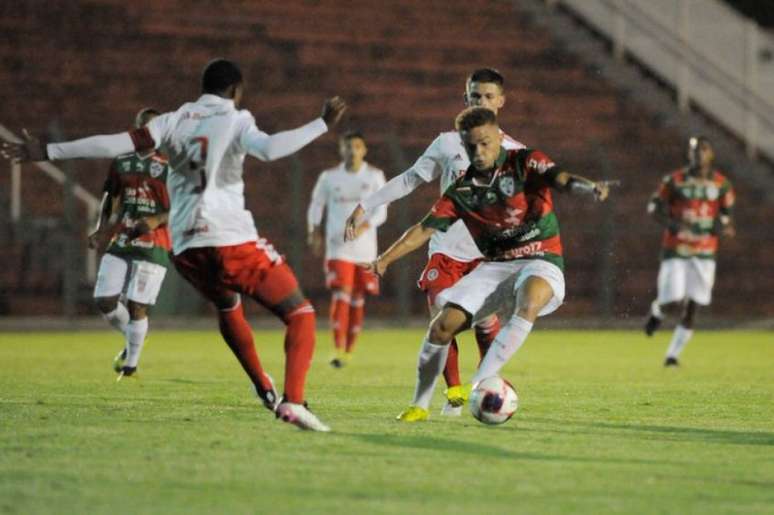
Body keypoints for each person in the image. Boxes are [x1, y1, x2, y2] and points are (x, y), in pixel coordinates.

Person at [1, 58, 347, 432]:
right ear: (235, 90)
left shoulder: (172, 120)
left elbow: (114, 144)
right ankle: (293, 402)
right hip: (230, 238)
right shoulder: (237, 118)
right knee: (300, 313)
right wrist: (322, 123)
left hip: (186, 248)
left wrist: (48, 151)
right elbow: (271, 149)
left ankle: (263, 386)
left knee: (227, 304)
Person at [364, 107, 610, 421]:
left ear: (498, 138)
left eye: (485, 143)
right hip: (496, 267)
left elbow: (560, 178)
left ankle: (480, 383)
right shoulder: (463, 191)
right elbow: (424, 230)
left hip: (540, 259)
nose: (478, 152)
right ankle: (419, 404)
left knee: (530, 297)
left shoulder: (525, 161)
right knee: (441, 327)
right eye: (471, 146)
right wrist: (385, 260)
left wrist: (587, 187)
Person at [345, 68, 525, 417]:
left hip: (488, 257)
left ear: (501, 101)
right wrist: (367, 205)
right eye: (475, 97)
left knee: (485, 322)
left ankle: (485, 382)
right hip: (445, 249)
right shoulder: (447, 143)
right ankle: (454, 393)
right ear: (465, 100)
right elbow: (411, 179)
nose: (482, 102)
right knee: (442, 316)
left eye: (489, 97)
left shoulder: (516, 153)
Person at [88, 107, 171, 380]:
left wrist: (154, 220)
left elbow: (182, 207)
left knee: (137, 306)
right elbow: (110, 195)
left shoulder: (170, 165)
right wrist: (100, 228)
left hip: (155, 240)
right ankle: (135, 337)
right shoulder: (122, 161)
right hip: (123, 236)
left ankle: (130, 365)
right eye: (144, 129)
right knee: (104, 300)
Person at [643, 136, 735, 366]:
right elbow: (654, 208)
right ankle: (658, 310)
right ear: (688, 154)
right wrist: (671, 223)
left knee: (693, 305)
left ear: (711, 153)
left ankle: (672, 356)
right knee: (672, 299)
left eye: (703, 149)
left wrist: (723, 226)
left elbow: (726, 214)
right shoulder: (674, 181)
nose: (698, 154)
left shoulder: (721, 184)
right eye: (694, 150)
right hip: (677, 249)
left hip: (705, 252)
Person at [306, 131, 386, 368]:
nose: (353, 151)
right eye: (348, 146)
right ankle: (338, 349)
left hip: (365, 249)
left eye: (357, 146)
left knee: (358, 297)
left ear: (364, 150)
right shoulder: (329, 178)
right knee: (342, 292)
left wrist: (366, 226)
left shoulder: (374, 176)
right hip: (337, 246)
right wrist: (313, 231)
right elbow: (316, 205)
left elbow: (382, 209)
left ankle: (350, 350)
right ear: (342, 150)